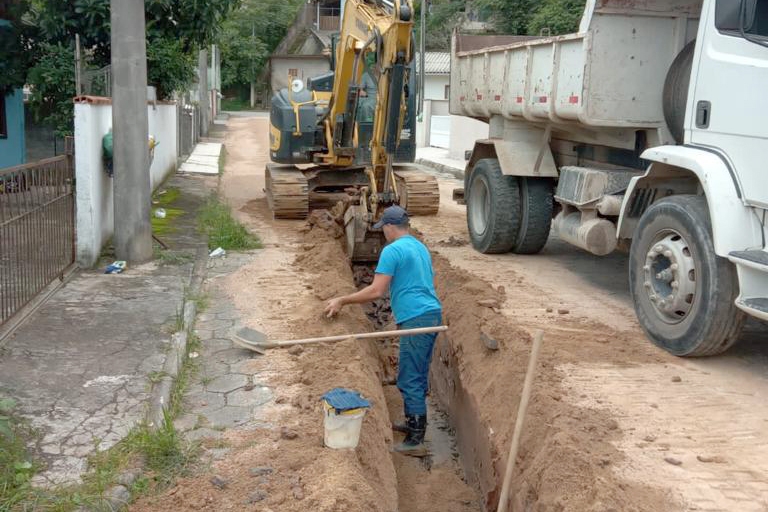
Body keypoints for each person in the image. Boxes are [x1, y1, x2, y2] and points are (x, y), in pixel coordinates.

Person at [325, 205, 442, 456]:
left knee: (410, 377)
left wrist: (343, 300)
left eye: (383, 229)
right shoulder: (419, 246)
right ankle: (413, 425)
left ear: (389, 227)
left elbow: (376, 291)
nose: (383, 234)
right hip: (430, 314)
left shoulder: (393, 250)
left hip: (416, 318)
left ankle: (416, 441)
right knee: (417, 373)